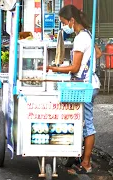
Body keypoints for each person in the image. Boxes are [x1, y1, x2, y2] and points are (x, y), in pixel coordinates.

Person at [47, 5, 102, 174]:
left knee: (87, 125)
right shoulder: (87, 34)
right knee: (81, 121)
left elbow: (75, 67)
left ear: (72, 21)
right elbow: (98, 53)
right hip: (90, 83)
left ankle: (86, 163)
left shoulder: (80, 39)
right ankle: (79, 157)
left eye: (64, 23)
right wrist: (88, 64)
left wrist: (53, 68)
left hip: (85, 85)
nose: (65, 26)